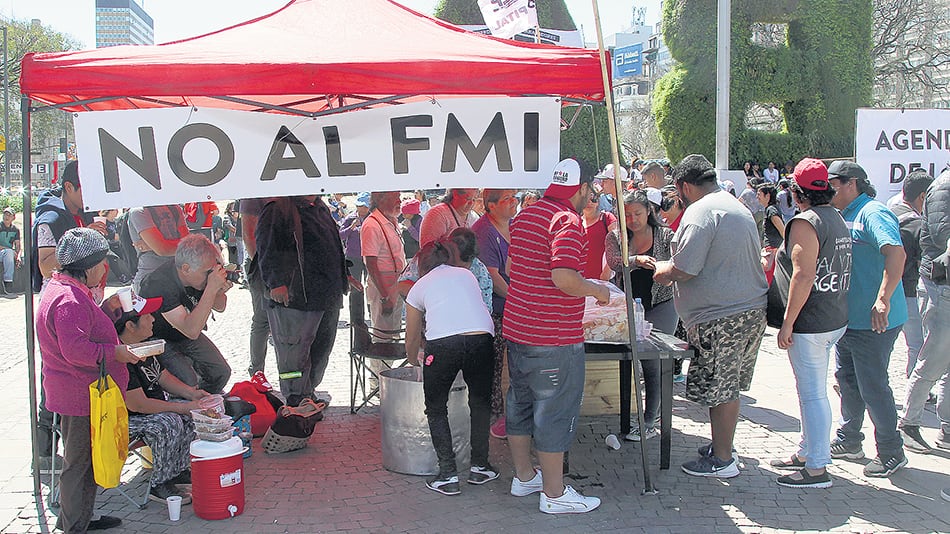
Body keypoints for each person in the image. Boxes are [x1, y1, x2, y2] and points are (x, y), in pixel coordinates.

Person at [504, 158, 609, 514]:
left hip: (518, 329)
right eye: (591, 190)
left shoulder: (526, 215)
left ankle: (524, 477)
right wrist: (596, 290)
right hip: (553, 337)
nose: (591, 197)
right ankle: (553, 494)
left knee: (519, 404)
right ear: (581, 189)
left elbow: (511, 268)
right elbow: (563, 277)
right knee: (554, 411)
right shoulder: (566, 220)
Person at [654, 154, 768, 478]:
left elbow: (684, 268)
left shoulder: (701, 212)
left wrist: (661, 270)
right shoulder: (734, 205)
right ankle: (722, 447)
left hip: (723, 317)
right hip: (745, 310)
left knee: (721, 389)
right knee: (726, 386)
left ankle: (722, 459)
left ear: (684, 186)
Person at [37, 228, 138, 532]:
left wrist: (105, 311)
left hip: (82, 392)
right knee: (77, 465)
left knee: (85, 462)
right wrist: (117, 353)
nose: (105, 269)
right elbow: (76, 350)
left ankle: (83, 518)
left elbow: (79, 331)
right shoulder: (68, 298)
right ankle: (73, 526)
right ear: (91, 266)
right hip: (79, 394)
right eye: (102, 264)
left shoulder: (65, 289)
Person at [766, 158, 852, 489]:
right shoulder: (836, 218)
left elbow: (803, 275)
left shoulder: (805, 222)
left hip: (811, 321)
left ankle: (817, 466)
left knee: (813, 394)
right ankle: (806, 452)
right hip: (833, 317)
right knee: (810, 391)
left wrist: (787, 323)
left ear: (797, 193)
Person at [826, 160, 908, 478]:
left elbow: (896, 253)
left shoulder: (873, 213)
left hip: (875, 320)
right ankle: (850, 440)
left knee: (873, 386)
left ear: (852, 183)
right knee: (848, 381)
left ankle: (891, 451)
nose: (828, 188)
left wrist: (883, 298)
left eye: (833, 183)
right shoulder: (841, 215)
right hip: (849, 319)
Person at [31, 160, 109, 477]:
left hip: (85, 304)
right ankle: (47, 454)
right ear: (69, 188)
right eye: (86, 189)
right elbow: (45, 264)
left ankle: (78, 454)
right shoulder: (50, 217)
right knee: (55, 379)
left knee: (75, 379)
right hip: (63, 307)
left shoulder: (82, 211)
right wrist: (83, 238)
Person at [406, 238, 497, 495]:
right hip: (482, 338)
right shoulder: (466, 275)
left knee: (436, 408)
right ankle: (481, 466)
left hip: (443, 344)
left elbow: (412, 336)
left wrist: (414, 359)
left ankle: (447, 473)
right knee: (480, 403)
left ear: (421, 264)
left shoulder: (419, 287)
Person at [100, 291, 201, 504]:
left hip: (146, 411)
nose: (153, 319)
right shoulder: (120, 357)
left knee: (189, 414)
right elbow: (139, 404)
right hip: (123, 420)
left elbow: (162, 376)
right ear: (129, 326)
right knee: (169, 421)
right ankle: (160, 484)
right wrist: (184, 407)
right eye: (147, 316)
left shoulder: (145, 344)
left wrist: (192, 394)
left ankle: (178, 471)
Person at [256, 195, 349, 406]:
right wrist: (276, 282)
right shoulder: (277, 208)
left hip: (326, 296)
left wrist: (344, 275)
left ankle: (308, 392)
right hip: (296, 297)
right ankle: (295, 398)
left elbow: (333, 246)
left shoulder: (319, 206)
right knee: (293, 354)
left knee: (321, 350)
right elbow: (265, 246)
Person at [605, 189, 676, 442]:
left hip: (662, 304)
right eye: (627, 215)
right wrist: (635, 259)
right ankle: (635, 415)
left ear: (649, 211)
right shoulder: (615, 236)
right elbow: (614, 262)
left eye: (637, 213)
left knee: (653, 361)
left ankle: (650, 419)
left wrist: (662, 268)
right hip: (631, 306)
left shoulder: (666, 235)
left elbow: (678, 262)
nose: (633, 219)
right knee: (631, 360)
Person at [138, 234, 233, 393]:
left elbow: (220, 306)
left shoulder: (199, 273)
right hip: (157, 338)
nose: (210, 276)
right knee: (188, 382)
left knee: (221, 372)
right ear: (186, 268)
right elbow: (191, 330)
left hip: (182, 333)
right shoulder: (159, 284)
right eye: (207, 272)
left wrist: (217, 289)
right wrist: (211, 287)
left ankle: (202, 400)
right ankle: (185, 401)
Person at [899, 168, 950, 453]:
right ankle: (908, 423)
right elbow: (945, 234)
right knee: (932, 360)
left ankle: (947, 429)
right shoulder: (944, 186)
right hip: (941, 286)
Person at [472, 188, 518, 440]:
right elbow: (493, 275)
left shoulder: (513, 225)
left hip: (510, 304)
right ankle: (498, 417)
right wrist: (518, 300)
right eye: (507, 199)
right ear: (490, 205)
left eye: (515, 197)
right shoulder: (485, 231)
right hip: (496, 310)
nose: (513, 203)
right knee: (499, 365)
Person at [889, 170, 934, 381]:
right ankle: (917, 389)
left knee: (880, 340)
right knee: (916, 343)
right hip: (906, 292)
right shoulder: (917, 225)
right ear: (923, 196)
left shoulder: (890, 210)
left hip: (881, 285)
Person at [361, 191, 407, 340]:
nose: (400, 202)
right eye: (396, 198)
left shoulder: (392, 220)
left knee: (394, 330)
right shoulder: (372, 225)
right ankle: (378, 364)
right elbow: (371, 264)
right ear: (380, 199)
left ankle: (390, 363)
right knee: (382, 334)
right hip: (383, 285)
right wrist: (384, 296)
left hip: (397, 282)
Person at [240, 197, 273, 376]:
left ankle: (292, 376)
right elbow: (248, 235)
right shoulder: (253, 195)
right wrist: (261, 268)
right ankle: (257, 371)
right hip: (260, 263)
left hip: (282, 262)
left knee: (286, 322)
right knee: (262, 320)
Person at [128, 204, 190, 292]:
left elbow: (188, 244)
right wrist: (161, 245)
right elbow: (164, 250)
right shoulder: (138, 211)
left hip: (178, 277)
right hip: (151, 280)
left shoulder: (175, 207)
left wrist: (155, 245)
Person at [340, 192, 370, 324]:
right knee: (355, 288)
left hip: (369, 256)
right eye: (359, 205)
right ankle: (355, 318)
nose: (362, 208)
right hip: (353, 257)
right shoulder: (350, 218)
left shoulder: (373, 218)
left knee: (371, 287)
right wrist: (351, 228)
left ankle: (372, 314)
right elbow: (340, 235)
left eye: (364, 206)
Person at [581, 191, 617, 280]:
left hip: (603, 279)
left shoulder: (607, 218)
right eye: (585, 199)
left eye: (593, 199)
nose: (589, 203)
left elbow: (617, 245)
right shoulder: (576, 221)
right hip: (581, 280)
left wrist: (607, 272)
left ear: (598, 201)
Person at [758, 182, 787, 284]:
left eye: (759, 194)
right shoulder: (770, 209)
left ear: (767, 196)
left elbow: (782, 229)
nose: (757, 197)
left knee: (768, 280)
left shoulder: (771, 210)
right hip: (772, 249)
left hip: (773, 250)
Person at [0, 207, 21, 295]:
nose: (6, 217)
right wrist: (7, 249)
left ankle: (9, 284)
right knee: (8, 252)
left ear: (13, 217)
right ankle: (7, 282)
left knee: (9, 253)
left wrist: (18, 256)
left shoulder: (15, 230)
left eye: (9, 215)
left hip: (8, 253)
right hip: (2, 251)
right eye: (5, 214)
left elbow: (18, 246)